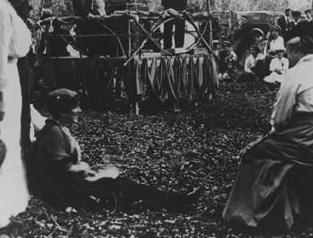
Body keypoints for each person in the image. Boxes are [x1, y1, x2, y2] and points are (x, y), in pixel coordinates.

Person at [223, 34, 313, 229]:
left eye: (288, 53)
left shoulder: (296, 73)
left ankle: (248, 212)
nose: (288, 57)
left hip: (308, 137)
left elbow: (280, 118)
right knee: (270, 147)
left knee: (253, 152)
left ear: (295, 52)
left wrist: (273, 133)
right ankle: (288, 203)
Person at [33, 88, 200, 211]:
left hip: (74, 184)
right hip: (68, 191)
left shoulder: (56, 128)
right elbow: (61, 169)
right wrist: (85, 169)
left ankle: (174, 201)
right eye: (75, 107)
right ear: (62, 112)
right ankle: (178, 202)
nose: (79, 111)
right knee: (126, 187)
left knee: (126, 186)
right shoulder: (53, 133)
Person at [0, 0, 44, 228]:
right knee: (3, 141)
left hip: (10, 77)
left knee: (11, 139)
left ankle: (9, 206)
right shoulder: (0, 9)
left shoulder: (5, 6)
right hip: (3, 80)